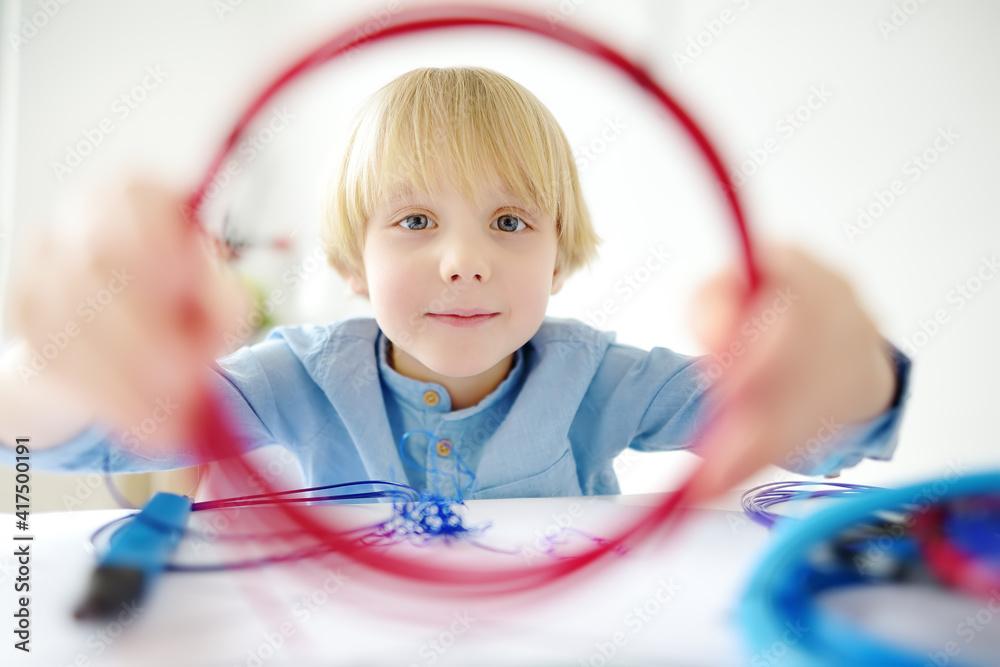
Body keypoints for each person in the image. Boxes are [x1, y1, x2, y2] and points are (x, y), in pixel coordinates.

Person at [0, 67, 909, 502]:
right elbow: (86, 435)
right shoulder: (296, 377)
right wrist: (57, 369)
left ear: (557, 257)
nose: (464, 261)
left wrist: (848, 375)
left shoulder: (601, 378)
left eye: (509, 223)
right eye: (416, 221)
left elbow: (816, 428)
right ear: (355, 262)